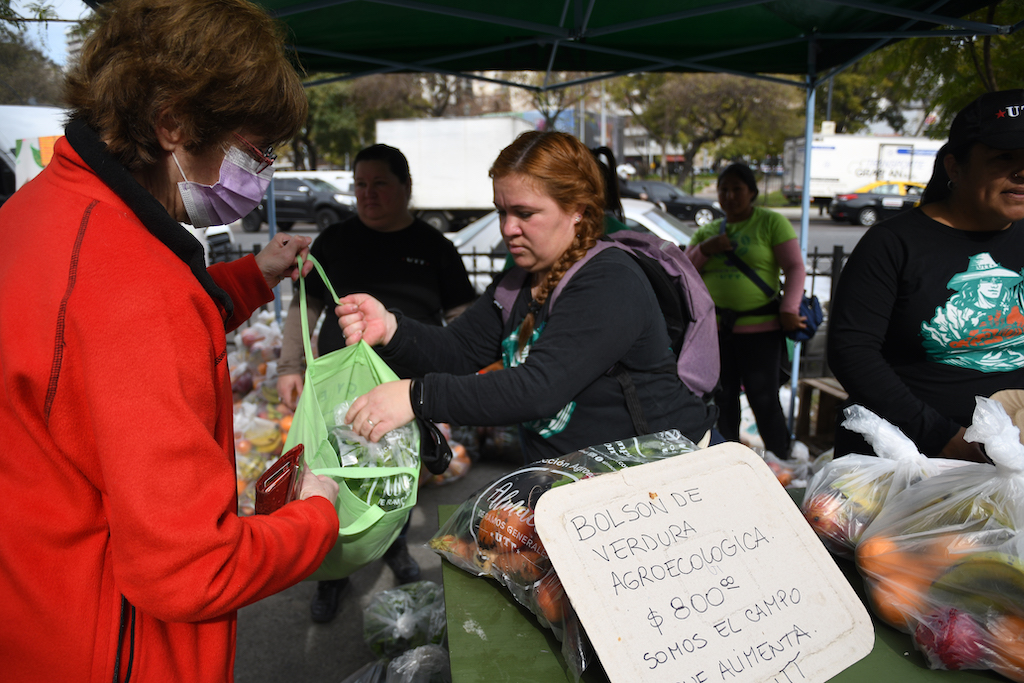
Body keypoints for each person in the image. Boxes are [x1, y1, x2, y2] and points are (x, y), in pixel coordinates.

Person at [0, 1, 342, 681]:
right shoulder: (133, 283)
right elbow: (193, 569)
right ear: (173, 125)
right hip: (116, 651)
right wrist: (316, 518)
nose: (262, 171)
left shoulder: (39, 213)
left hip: (37, 619)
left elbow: (104, 357)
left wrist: (252, 275)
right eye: (254, 151)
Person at [332, 131, 717, 461]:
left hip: (663, 477)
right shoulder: (518, 282)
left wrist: (417, 396)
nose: (508, 228)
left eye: (525, 213)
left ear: (577, 210)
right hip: (584, 484)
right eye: (502, 211)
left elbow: (538, 388)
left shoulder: (611, 280)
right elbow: (457, 351)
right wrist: (392, 328)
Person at [276, 143, 478, 623]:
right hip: (338, 392)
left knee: (396, 478)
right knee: (331, 478)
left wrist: (454, 382)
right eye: (360, 184)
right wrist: (289, 366)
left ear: (406, 187)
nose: (368, 194)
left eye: (380, 184)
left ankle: (394, 546)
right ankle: (331, 573)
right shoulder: (334, 240)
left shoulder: (435, 247)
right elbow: (305, 308)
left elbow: (463, 320)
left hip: (403, 395)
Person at [828, 89, 1024, 461]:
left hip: (1012, 458)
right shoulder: (892, 243)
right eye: (1004, 157)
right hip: (909, 460)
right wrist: (944, 437)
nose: (1022, 171)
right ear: (955, 167)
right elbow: (852, 352)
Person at [686, 163, 807, 458]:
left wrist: (789, 308)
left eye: (737, 189)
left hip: (761, 332)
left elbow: (795, 267)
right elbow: (684, 270)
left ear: (751, 192)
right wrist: (706, 249)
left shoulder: (771, 223)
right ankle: (729, 459)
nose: (729, 196)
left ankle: (781, 459)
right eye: (723, 190)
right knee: (723, 399)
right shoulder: (708, 232)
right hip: (717, 333)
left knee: (763, 398)